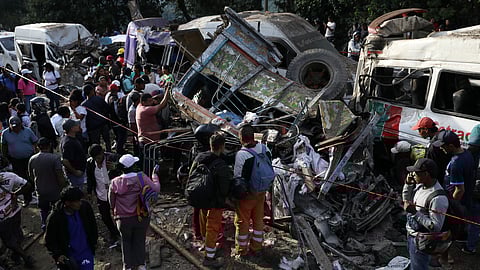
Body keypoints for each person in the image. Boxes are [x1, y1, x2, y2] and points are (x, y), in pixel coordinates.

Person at [109, 154, 160, 270]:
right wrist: (155, 176)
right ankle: (141, 265)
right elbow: (156, 189)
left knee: (125, 242)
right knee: (139, 240)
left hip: (122, 219)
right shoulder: (141, 177)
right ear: (133, 166)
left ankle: (127, 266)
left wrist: (114, 214)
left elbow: (111, 202)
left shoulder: (114, 182)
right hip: (140, 217)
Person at [190, 132, 232, 267]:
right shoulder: (221, 165)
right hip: (215, 201)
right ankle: (209, 257)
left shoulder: (199, 158)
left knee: (204, 223)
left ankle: (206, 244)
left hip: (202, 197)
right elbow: (224, 187)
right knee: (213, 227)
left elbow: (191, 174)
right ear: (222, 146)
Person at [432, 130, 475, 262]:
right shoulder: (467, 153)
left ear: (451, 146)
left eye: (443, 146)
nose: (441, 148)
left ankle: (446, 257)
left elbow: (459, 189)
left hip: (455, 201)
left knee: (447, 229)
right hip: (465, 199)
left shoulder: (456, 163)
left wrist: (450, 205)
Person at [402, 158, 449, 270]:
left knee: (419, 267)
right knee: (414, 264)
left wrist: (415, 212)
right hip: (411, 235)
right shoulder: (420, 186)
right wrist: (407, 185)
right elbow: (406, 202)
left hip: (421, 241)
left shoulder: (438, 198)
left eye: (416, 173)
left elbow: (436, 227)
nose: (412, 174)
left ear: (426, 174)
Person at [233, 124, 272, 256]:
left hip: (248, 194)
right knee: (258, 219)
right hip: (261, 191)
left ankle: (241, 250)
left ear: (241, 137)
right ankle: (257, 247)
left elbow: (238, 178)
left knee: (242, 221)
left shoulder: (242, 154)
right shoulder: (264, 148)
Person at [45, 186, 98, 270]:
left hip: (86, 251)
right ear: (67, 203)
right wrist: (57, 255)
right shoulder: (55, 218)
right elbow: (49, 240)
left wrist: (94, 241)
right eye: (76, 201)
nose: (80, 203)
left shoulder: (85, 207)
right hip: (69, 256)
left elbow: (92, 225)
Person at [28, 137, 67, 230]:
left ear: (38, 147)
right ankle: (60, 226)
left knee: (43, 210)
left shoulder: (32, 159)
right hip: (55, 190)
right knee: (59, 209)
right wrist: (64, 187)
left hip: (40, 190)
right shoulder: (55, 158)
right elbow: (60, 176)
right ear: (49, 146)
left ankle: (45, 226)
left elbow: (31, 176)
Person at [86, 144, 120, 245]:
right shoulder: (90, 163)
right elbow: (89, 178)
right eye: (95, 158)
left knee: (119, 214)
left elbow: (126, 171)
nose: (97, 160)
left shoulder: (113, 158)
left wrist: (115, 167)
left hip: (116, 194)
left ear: (102, 153)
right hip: (101, 194)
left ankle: (122, 230)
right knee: (105, 216)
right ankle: (113, 232)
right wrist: (89, 192)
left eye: (99, 157)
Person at [0, 169, 34, 268]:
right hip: (14, 209)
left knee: (8, 240)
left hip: (2, 218)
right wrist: (15, 193)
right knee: (16, 231)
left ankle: (25, 257)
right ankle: (16, 255)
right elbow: (28, 185)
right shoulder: (9, 176)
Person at [1, 116, 38, 204]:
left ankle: (35, 191)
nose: (15, 128)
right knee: (22, 179)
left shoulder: (28, 131)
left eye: (17, 126)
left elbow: (35, 142)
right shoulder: (5, 133)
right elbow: (4, 146)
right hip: (16, 160)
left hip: (29, 158)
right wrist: (5, 157)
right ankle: (27, 198)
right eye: (13, 127)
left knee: (32, 176)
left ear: (21, 124)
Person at [411, 117, 451, 186]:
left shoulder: (434, 146)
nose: (419, 133)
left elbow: (433, 168)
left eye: (419, 130)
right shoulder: (442, 136)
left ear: (426, 130)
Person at [82, 84, 111, 152]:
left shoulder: (83, 105)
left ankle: (98, 153)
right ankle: (108, 152)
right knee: (107, 140)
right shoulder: (99, 99)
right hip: (102, 123)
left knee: (96, 143)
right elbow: (107, 109)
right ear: (92, 91)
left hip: (93, 127)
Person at [60, 119, 87, 188]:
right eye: (76, 125)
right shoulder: (68, 142)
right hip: (75, 175)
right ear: (72, 128)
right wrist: (75, 172)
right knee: (77, 193)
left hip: (79, 172)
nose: (78, 126)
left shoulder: (72, 138)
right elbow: (65, 161)